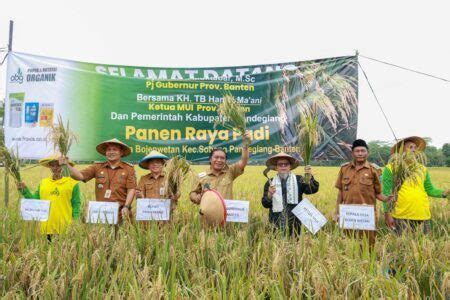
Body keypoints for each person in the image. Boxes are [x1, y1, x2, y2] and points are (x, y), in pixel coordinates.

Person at [382, 136, 448, 234]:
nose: (413, 150)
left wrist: (444, 193)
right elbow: (386, 194)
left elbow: (430, 190)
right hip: (401, 216)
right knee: (402, 247)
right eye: (410, 147)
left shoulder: (422, 169)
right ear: (401, 150)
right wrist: (387, 214)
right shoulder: (391, 168)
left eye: (415, 147)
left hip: (422, 215)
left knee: (423, 247)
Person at [61, 138, 136, 221]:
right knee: (102, 234)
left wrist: (126, 206)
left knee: (121, 234)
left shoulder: (129, 169)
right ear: (105, 153)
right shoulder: (97, 167)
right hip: (101, 213)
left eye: (114, 149)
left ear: (121, 153)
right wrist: (67, 165)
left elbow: (131, 189)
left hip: (121, 213)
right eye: (108, 150)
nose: (111, 152)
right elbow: (80, 176)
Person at [334, 139, 390, 248]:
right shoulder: (344, 169)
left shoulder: (374, 170)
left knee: (368, 246)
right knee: (349, 245)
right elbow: (340, 192)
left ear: (367, 153)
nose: (360, 153)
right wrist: (337, 212)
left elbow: (378, 193)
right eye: (357, 151)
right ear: (352, 153)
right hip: (349, 215)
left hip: (367, 216)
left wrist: (388, 199)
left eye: (363, 151)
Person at [18, 154, 81, 240]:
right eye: (52, 165)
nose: (55, 168)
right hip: (46, 227)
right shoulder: (44, 183)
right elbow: (35, 202)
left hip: (65, 228)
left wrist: (75, 223)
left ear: (64, 165)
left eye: (58, 165)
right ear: (49, 167)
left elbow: (76, 204)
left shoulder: (73, 183)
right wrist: (25, 191)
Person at [261, 152, 319, 235]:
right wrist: (270, 195)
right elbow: (265, 204)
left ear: (290, 166)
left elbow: (312, 190)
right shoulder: (270, 183)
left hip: (295, 224)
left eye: (286, 164)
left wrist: (309, 178)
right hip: (276, 223)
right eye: (280, 164)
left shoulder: (299, 179)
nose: (283, 166)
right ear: (276, 167)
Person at [189, 133, 251, 203]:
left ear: (225, 161)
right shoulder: (201, 176)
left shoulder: (230, 171)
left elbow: (243, 162)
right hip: (207, 212)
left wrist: (245, 144)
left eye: (222, 158)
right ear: (210, 159)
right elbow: (192, 193)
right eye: (216, 157)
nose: (219, 160)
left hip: (225, 212)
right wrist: (196, 197)